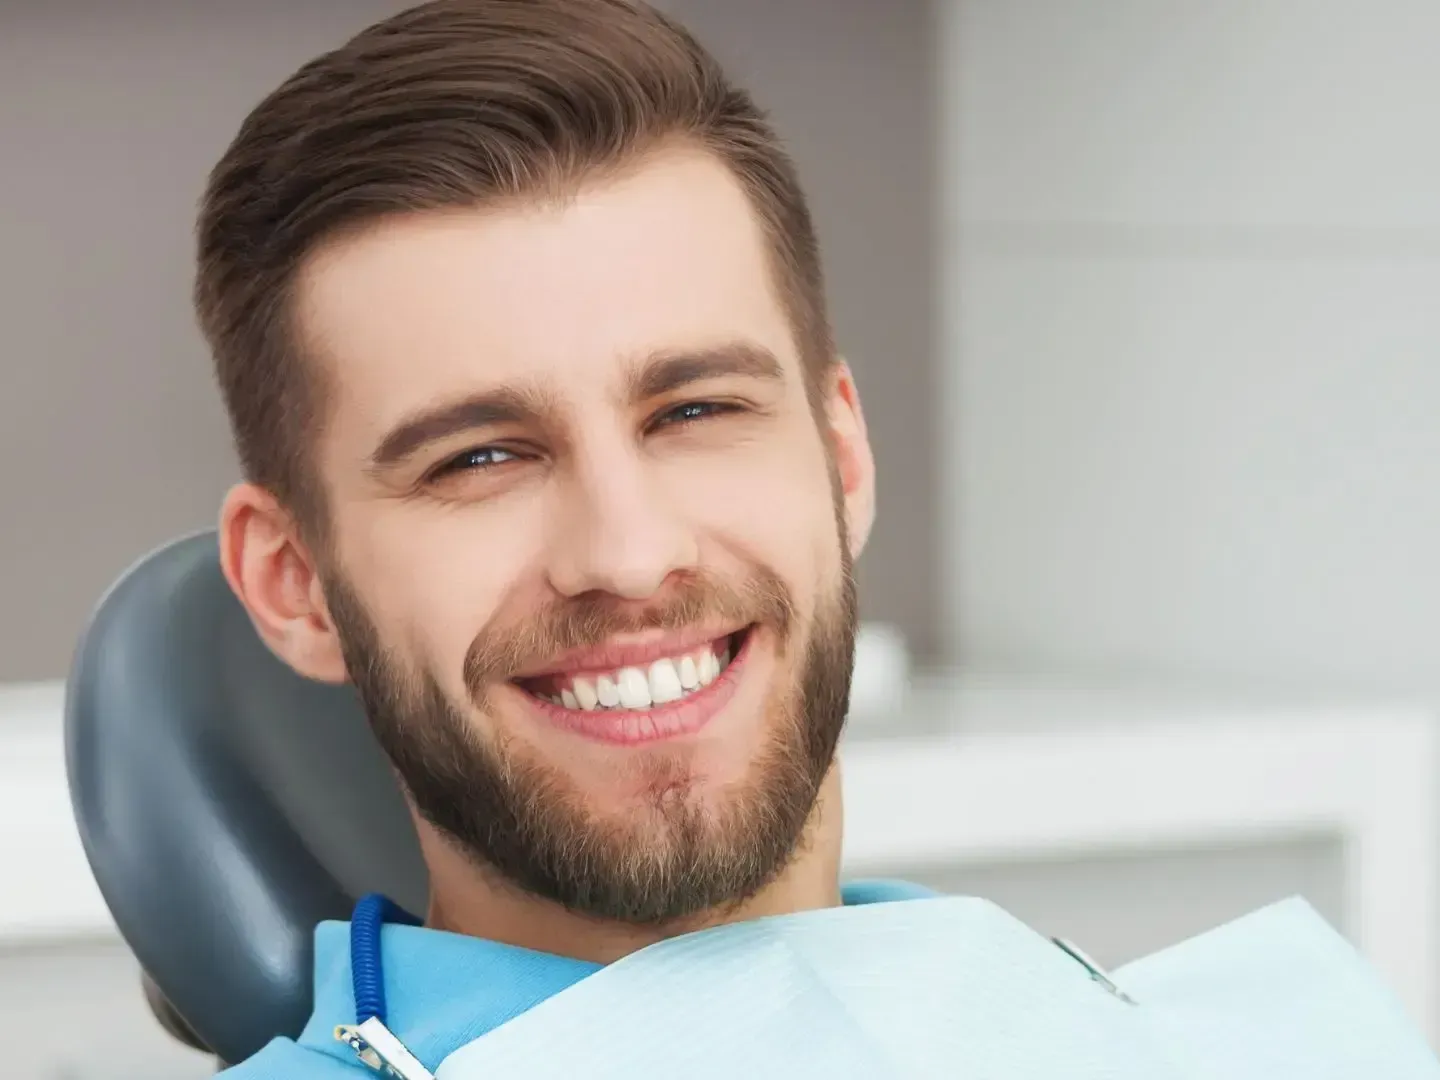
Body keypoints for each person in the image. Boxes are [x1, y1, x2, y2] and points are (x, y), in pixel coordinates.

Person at [199, 1, 929, 1074]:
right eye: (480, 458)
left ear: (842, 458)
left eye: (695, 411)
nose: (628, 557)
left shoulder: (1082, 1018)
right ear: (294, 584)